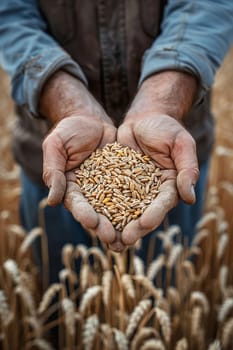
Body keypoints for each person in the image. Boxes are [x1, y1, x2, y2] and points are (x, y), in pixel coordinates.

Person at [0, 1, 232, 283]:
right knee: (63, 287)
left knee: (166, 289)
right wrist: (61, 96)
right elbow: (9, 13)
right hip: (55, 154)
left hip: (168, 157)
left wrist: (165, 97)